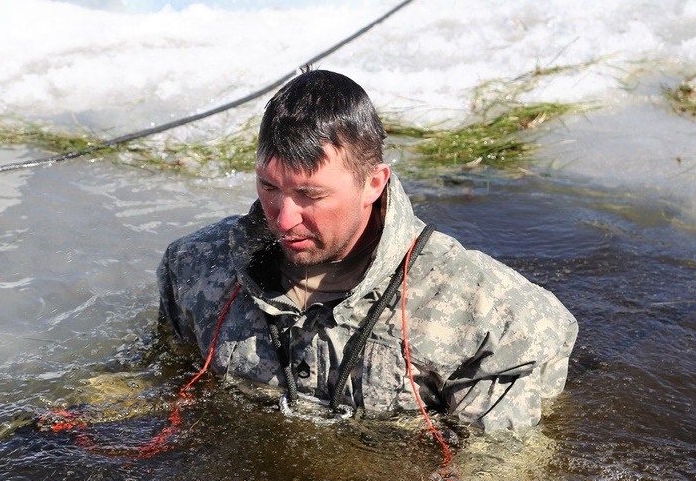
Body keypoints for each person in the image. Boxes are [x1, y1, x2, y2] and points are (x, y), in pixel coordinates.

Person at [156, 69, 577, 433]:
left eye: (309, 194)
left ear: (373, 184)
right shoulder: (194, 268)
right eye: (269, 187)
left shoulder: (489, 315)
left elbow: (499, 466)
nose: (283, 219)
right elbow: (161, 371)